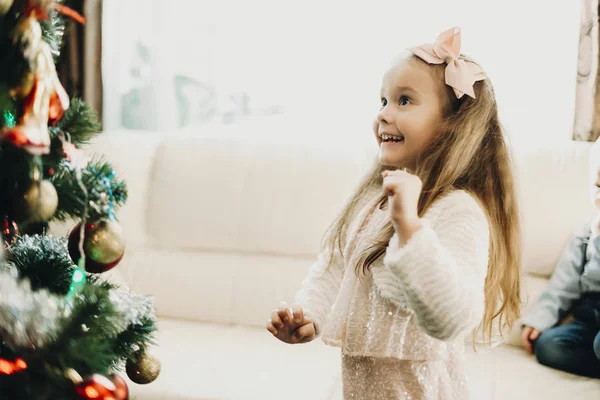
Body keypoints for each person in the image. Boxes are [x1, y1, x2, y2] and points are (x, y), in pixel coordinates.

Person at [266, 27, 522, 399]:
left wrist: (410, 229)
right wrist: (309, 315)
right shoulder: (376, 198)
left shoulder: (457, 210)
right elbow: (339, 265)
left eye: (404, 101)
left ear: (453, 124)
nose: (384, 114)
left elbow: (453, 319)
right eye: (383, 100)